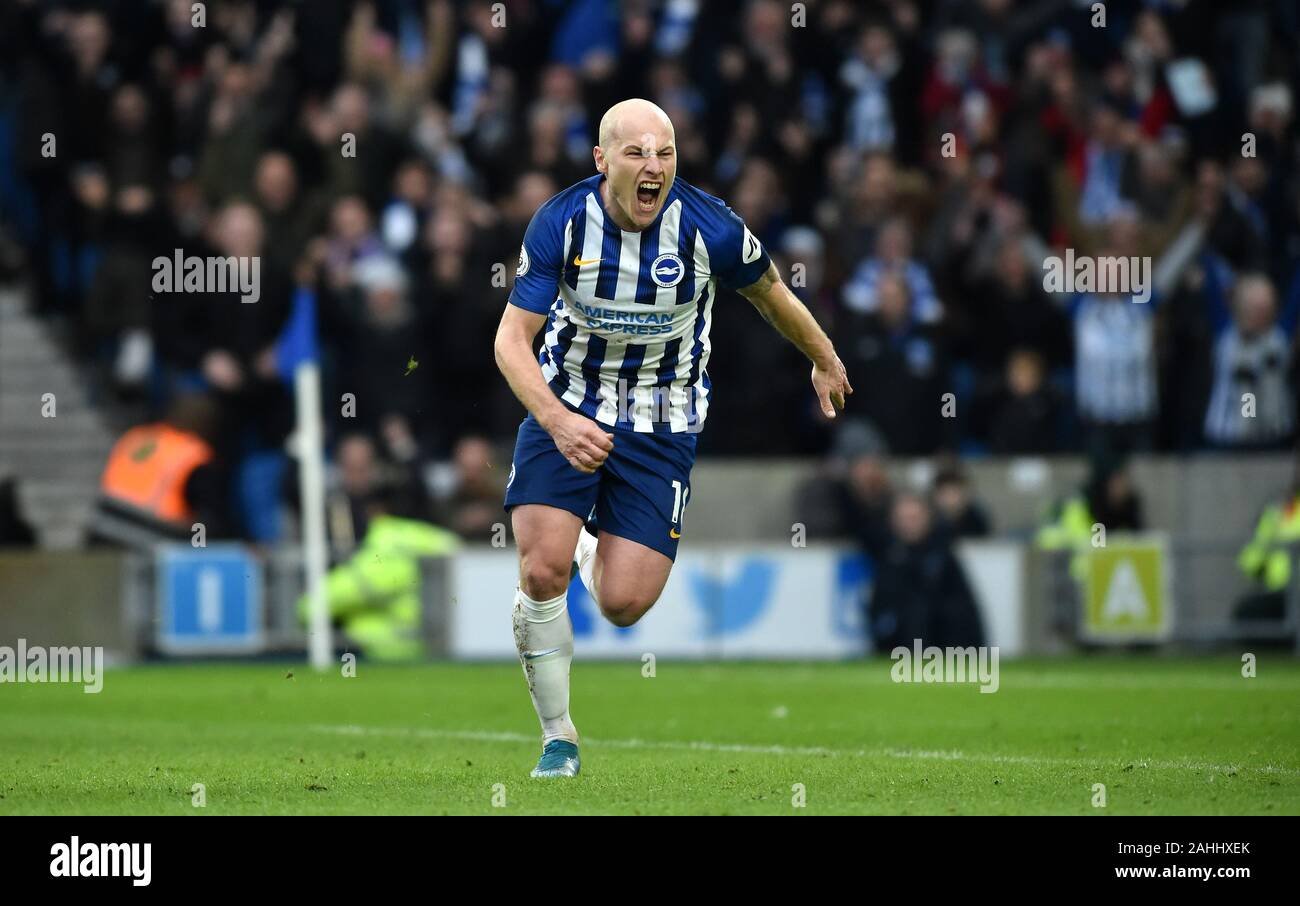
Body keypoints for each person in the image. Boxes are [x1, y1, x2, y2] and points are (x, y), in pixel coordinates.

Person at [493, 98, 852, 777]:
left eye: (664, 153)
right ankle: (558, 737)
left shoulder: (710, 227)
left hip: (663, 422)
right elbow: (511, 340)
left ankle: (591, 540)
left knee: (625, 603)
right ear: (603, 161)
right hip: (569, 404)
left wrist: (823, 355)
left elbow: (771, 293)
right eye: (635, 153)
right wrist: (555, 419)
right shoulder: (561, 224)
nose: (652, 166)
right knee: (541, 569)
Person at [87, 393, 227, 549]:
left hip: (103, 527)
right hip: (151, 536)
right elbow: (208, 519)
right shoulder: (192, 454)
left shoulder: (137, 436)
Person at [864, 492, 986, 651]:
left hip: (943, 646)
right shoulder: (889, 556)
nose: (909, 524)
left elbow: (964, 612)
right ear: (893, 522)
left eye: (914, 518)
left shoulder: (943, 556)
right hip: (898, 649)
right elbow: (879, 608)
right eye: (903, 519)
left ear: (928, 519)